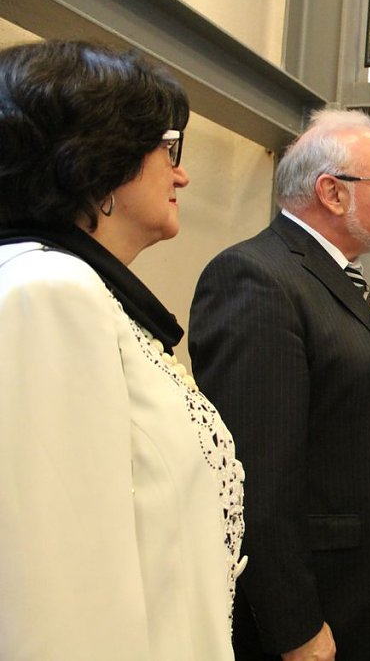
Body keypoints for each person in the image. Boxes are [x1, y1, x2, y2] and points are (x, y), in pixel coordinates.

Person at [0, 40, 245, 659]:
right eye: (168, 149)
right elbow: (59, 602)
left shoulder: (73, 290)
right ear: (98, 159)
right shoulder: (50, 291)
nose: (181, 174)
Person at [189, 108, 370, 660]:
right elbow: (256, 477)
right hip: (323, 613)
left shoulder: (339, 279)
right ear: (333, 193)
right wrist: (294, 627)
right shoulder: (257, 278)